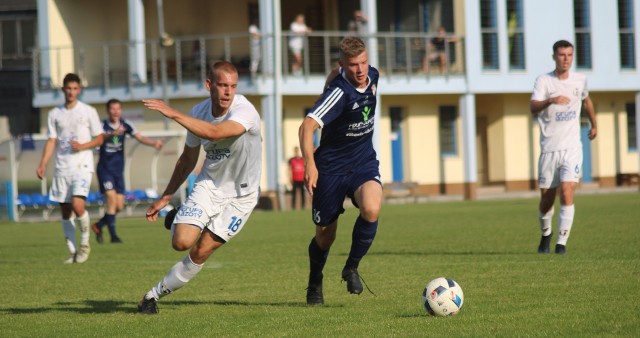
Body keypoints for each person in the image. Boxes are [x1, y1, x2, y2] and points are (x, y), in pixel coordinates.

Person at [136, 61, 262, 314]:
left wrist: (174, 114)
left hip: (241, 197)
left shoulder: (244, 111)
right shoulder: (198, 112)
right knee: (181, 242)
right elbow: (187, 159)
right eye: (223, 85)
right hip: (209, 186)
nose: (228, 91)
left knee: (201, 250)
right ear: (209, 85)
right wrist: (165, 197)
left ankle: (153, 296)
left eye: (233, 86)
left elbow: (215, 133)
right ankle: (176, 217)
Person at [298, 36, 382, 305]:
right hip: (330, 169)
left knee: (371, 208)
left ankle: (351, 267)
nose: (360, 70)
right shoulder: (339, 92)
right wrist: (310, 165)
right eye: (353, 65)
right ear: (342, 65)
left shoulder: (373, 76)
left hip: (362, 162)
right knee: (325, 235)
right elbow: (306, 126)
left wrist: (334, 74)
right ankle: (314, 282)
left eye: (364, 63)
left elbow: (352, 73)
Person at [530, 40, 597, 255]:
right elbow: (533, 107)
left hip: (572, 148)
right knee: (547, 199)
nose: (566, 59)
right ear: (554, 57)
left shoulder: (580, 80)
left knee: (567, 192)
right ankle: (546, 234)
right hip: (549, 149)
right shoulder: (544, 81)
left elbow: (586, 100)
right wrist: (551, 100)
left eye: (569, 55)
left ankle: (561, 245)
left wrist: (594, 124)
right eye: (561, 55)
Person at [36, 73, 104, 264]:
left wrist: (83, 146)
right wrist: (42, 163)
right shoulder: (54, 114)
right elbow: (51, 140)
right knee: (65, 211)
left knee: (77, 205)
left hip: (82, 165)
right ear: (63, 89)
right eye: (68, 88)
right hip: (62, 167)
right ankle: (73, 251)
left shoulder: (88, 111)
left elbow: (99, 137)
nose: (71, 92)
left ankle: (84, 245)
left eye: (75, 88)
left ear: (79, 90)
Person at [91, 98, 164, 244]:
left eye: (118, 109)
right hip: (105, 170)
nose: (116, 111)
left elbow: (140, 137)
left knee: (119, 205)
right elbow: (96, 138)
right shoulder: (101, 125)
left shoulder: (126, 125)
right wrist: (112, 133)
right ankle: (113, 236)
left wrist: (154, 143)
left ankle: (98, 225)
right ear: (108, 111)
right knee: (111, 200)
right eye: (113, 109)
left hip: (118, 171)